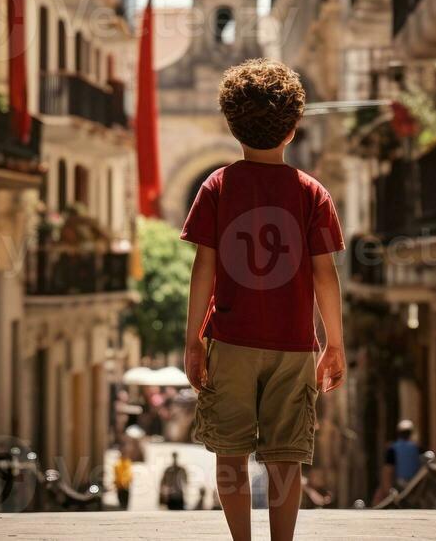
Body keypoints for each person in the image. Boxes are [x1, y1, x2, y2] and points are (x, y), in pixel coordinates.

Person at [182, 58, 346, 541]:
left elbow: (204, 268)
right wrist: (333, 341)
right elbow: (325, 274)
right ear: (294, 128)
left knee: (229, 454)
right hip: (294, 345)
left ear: (232, 125)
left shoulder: (217, 185)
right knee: (286, 457)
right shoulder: (311, 193)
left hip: (229, 340)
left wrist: (193, 340)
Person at [375, 419, 424, 504]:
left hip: (399, 485)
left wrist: (388, 491)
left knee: (378, 495)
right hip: (416, 484)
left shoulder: (392, 449)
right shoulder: (417, 448)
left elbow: (388, 470)